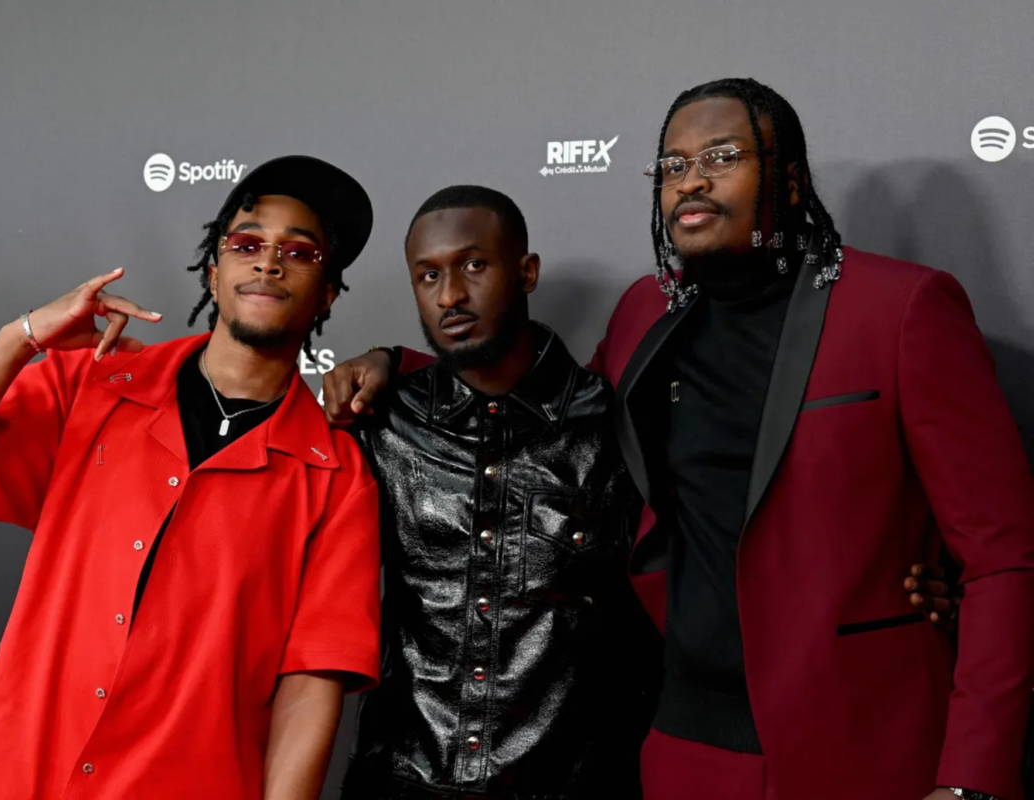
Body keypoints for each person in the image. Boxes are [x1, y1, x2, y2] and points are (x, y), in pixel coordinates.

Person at [325, 78, 1034, 800]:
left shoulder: (903, 307)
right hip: (679, 748)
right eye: (670, 165)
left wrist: (971, 780)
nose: (691, 180)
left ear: (788, 180)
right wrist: (399, 367)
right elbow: (545, 410)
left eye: (721, 156)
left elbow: (1003, 558)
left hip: (858, 739)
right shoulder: (645, 312)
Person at [0, 155, 382, 800]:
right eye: (247, 243)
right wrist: (21, 338)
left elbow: (310, 687)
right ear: (214, 268)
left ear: (328, 294)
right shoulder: (90, 384)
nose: (268, 261)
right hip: (17, 776)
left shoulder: (337, 477)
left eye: (300, 251)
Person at [332, 185, 656, 799]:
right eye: (428, 276)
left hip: (572, 783)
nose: (450, 296)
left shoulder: (612, 427)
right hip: (402, 781)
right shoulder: (380, 422)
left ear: (527, 271)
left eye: (473, 266)